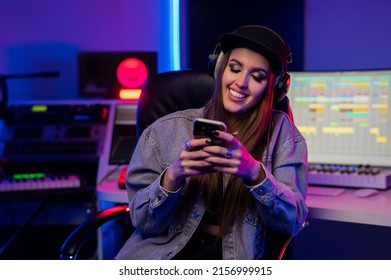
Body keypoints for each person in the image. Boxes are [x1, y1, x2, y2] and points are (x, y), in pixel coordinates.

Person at [115, 25, 308, 260]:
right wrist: (173, 177)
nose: (241, 82)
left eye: (257, 77)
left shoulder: (283, 136)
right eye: (235, 69)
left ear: (274, 87)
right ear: (220, 68)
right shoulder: (165, 129)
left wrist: (255, 174)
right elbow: (143, 223)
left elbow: (292, 223)